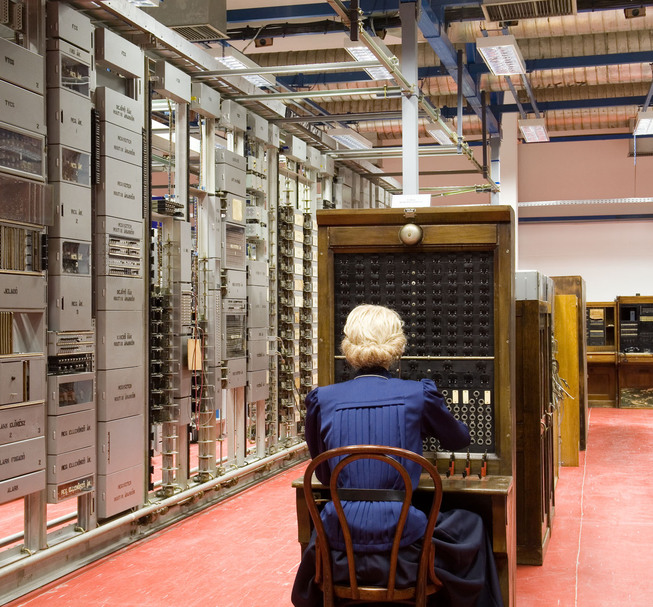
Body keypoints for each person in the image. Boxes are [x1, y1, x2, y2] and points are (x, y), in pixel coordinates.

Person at [291, 304, 503, 607]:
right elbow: (459, 438)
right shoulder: (418, 393)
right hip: (403, 532)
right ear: (397, 345)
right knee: (476, 522)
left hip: (340, 533)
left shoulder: (323, 399)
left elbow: (324, 473)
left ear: (348, 346)